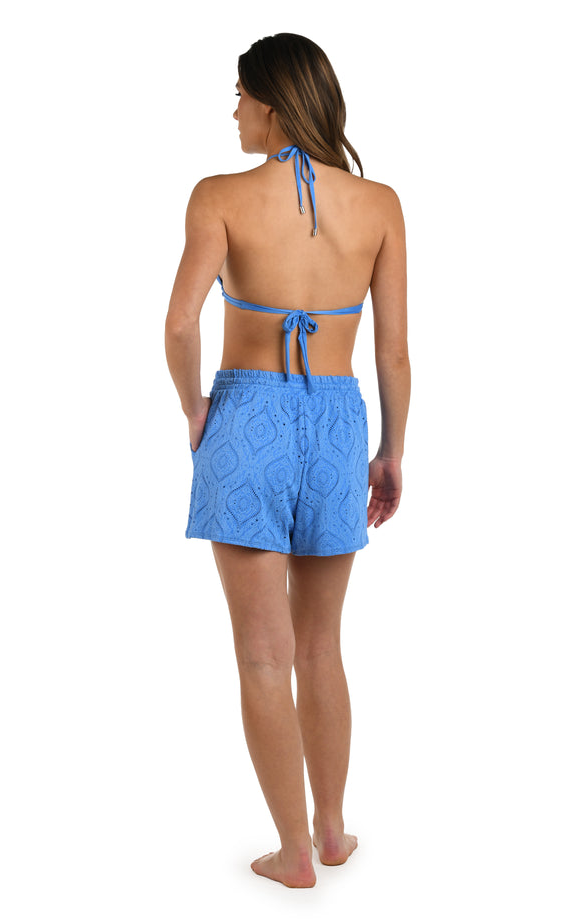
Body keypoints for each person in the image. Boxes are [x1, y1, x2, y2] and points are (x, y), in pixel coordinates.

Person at [165, 32, 410, 889]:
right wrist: (391, 451)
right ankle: (333, 833)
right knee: (319, 646)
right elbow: (393, 353)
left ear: (272, 101)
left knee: (263, 655)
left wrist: (195, 408)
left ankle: (293, 853)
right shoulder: (379, 204)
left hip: (247, 417)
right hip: (340, 421)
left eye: (240, 94)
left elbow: (182, 323)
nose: (234, 110)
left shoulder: (219, 196)